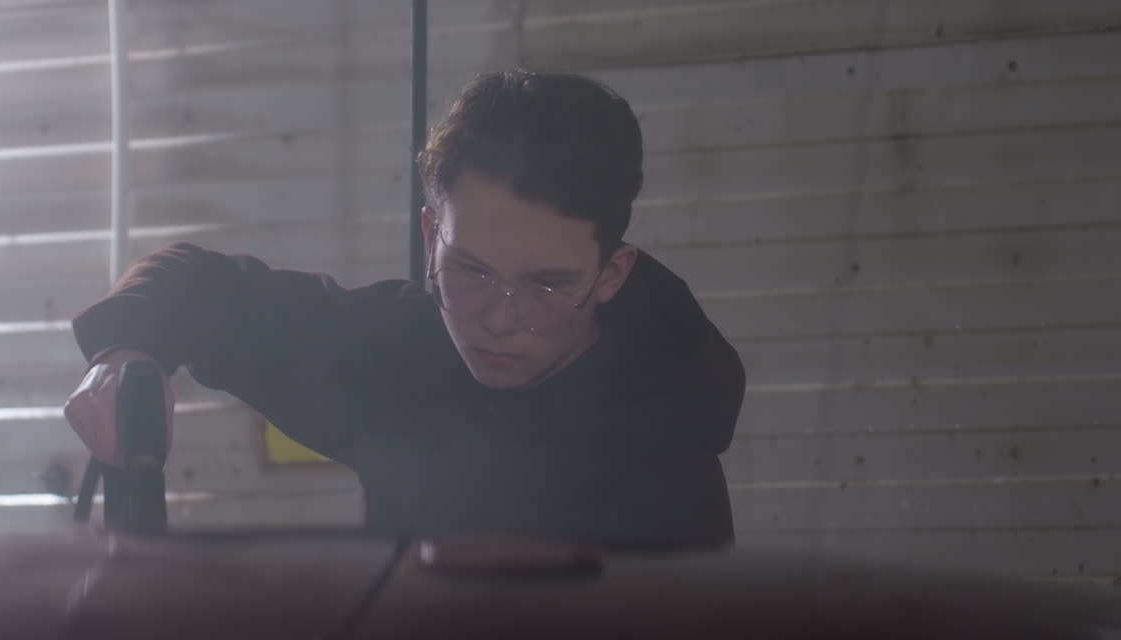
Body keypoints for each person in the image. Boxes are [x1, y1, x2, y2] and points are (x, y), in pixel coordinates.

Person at [64, 70, 745, 550]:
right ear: (430, 236)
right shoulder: (394, 351)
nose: (499, 318)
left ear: (611, 273)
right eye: (470, 271)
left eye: (544, 284)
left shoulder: (670, 438)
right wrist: (122, 351)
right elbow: (193, 284)